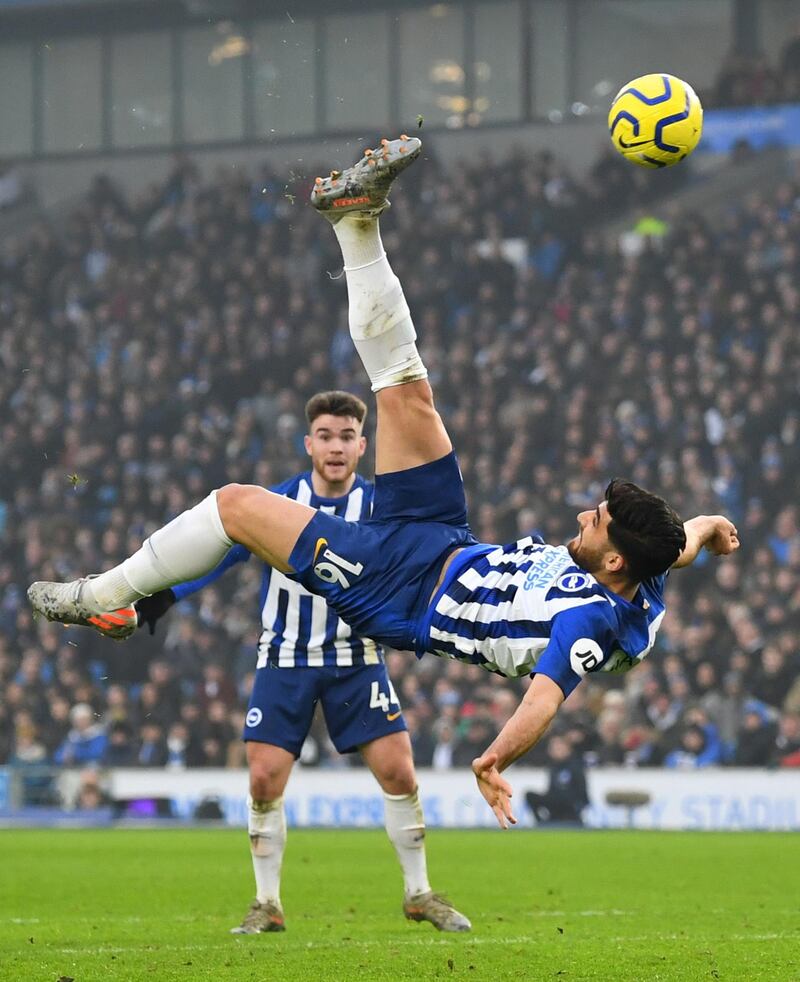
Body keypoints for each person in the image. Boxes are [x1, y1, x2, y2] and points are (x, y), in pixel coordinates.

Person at [29, 135, 740, 830]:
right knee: (406, 390)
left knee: (235, 506)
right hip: (442, 537)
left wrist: (493, 761)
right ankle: (355, 219)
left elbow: (546, 696)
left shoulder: (592, 622)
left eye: (597, 522)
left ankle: (104, 598)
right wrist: (709, 525)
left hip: (400, 588)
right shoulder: (641, 570)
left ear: (613, 558)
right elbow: (676, 548)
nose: (585, 515)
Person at [135, 389, 469, 933]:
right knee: (264, 779)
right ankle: (267, 903)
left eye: (346, 437)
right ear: (307, 443)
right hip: (285, 653)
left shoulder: (382, 510)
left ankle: (419, 892)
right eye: (325, 436)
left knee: (399, 771)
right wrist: (169, 592)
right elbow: (224, 551)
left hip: (356, 656)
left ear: (363, 446)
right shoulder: (281, 502)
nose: (335, 447)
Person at [525, 735, 589, 826]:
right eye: (553, 749)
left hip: (570, 803)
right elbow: (551, 790)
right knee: (529, 795)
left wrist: (579, 806)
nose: (556, 751)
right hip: (555, 801)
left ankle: (569, 818)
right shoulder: (553, 768)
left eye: (559, 748)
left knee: (561, 797)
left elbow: (582, 791)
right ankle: (540, 823)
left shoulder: (575, 766)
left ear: (568, 749)